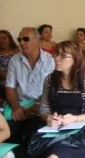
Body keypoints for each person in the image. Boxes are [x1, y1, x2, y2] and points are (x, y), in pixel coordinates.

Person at [39, 40, 85, 157]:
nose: (56, 58)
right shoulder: (50, 80)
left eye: (62, 55)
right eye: (56, 54)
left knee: (53, 155)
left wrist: (75, 119)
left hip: (79, 134)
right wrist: (48, 117)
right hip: (54, 131)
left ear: (75, 59)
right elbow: (43, 109)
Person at [4, 27, 55, 157]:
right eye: (19, 39)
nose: (21, 42)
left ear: (37, 41)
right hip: (20, 106)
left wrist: (37, 106)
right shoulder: (15, 60)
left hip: (42, 106)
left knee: (35, 133)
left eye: (25, 39)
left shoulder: (50, 60)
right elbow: (10, 86)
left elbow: (52, 89)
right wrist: (16, 107)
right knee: (9, 131)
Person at [0, 30, 20, 100]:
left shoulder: (17, 50)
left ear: (9, 39)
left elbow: (21, 65)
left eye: (4, 38)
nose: (1, 40)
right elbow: (0, 72)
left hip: (18, 76)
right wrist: (12, 79)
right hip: (4, 79)